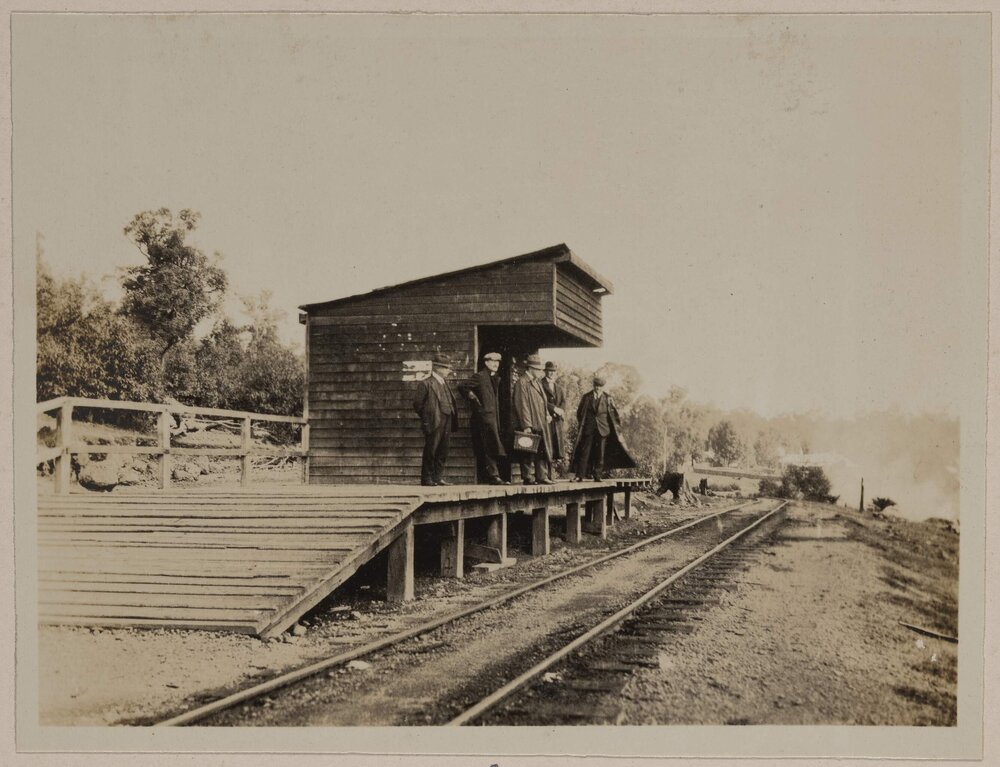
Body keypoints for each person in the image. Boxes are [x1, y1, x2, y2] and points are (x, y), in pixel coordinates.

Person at [571, 374, 636, 481]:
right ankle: (580, 475)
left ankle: (597, 475)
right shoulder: (587, 397)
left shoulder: (608, 398)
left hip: (603, 429)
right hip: (589, 428)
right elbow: (579, 413)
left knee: (600, 453)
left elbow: (614, 416)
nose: (597, 388)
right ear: (593, 385)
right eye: (596, 385)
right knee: (585, 452)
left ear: (603, 387)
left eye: (600, 386)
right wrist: (585, 424)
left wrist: (616, 431)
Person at [458, 351, 508, 485]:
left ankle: (495, 475)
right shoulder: (480, 376)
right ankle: (493, 476)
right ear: (486, 362)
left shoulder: (495, 377)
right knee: (488, 446)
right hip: (483, 419)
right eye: (492, 361)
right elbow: (462, 386)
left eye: (497, 362)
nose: (496, 364)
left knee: (493, 445)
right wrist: (472, 396)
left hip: (493, 418)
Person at [412, 353, 459, 486]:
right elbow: (417, 404)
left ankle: (437, 477)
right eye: (446, 368)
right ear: (437, 368)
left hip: (447, 419)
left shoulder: (444, 383)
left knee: (443, 450)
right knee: (431, 450)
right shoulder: (426, 383)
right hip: (434, 421)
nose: (449, 370)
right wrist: (428, 417)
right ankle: (427, 479)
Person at [512, 353, 553, 485]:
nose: (540, 372)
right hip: (530, 422)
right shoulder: (522, 382)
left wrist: (547, 413)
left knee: (542, 449)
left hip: (541, 421)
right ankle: (528, 477)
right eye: (538, 369)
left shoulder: (537, 382)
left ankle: (542, 476)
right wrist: (526, 425)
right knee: (527, 450)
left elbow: (544, 400)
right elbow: (521, 404)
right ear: (530, 369)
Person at [541, 361, 567, 481]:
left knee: (555, 449)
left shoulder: (559, 387)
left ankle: (552, 475)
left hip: (557, 422)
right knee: (547, 447)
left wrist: (560, 410)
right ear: (545, 371)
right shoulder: (540, 384)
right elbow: (542, 401)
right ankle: (545, 475)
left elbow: (563, 401)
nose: (551, 373)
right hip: (547, 419)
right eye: (549, 371)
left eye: (553, 371)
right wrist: (553, 409)